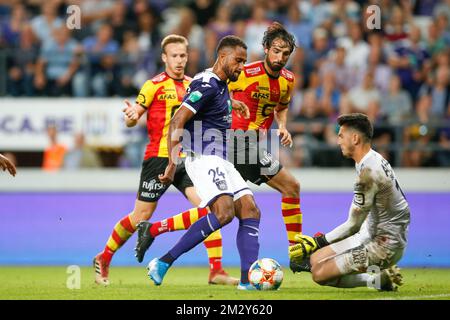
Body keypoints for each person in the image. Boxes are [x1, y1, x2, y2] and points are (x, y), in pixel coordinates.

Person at [138, 22, 303, 253]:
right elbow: (216, 85)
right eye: (276, 51)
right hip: (237, 142)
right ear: (266, 49)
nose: (280, 57)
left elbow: (281, 106)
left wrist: (282, 126)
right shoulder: (245, 72)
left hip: (244, 145)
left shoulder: (288, 79)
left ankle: (154, 229)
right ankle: (297, 253)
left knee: (223, 208)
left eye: (286, 53)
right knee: (291, 187)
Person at [93, 35, 237, 286]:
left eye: (183, 55)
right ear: (164, 57)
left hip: (187, 158)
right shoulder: (153, 85)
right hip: (158, 159)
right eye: (174, 56)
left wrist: (234, 104)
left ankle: (216, 270)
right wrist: (130, 116)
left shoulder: (196, 84)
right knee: (140, 216)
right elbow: (135, 114)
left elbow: (213, 104)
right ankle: (104, 257)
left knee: (212, 206)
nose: (180, 60)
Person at [145, 35, 262, 290]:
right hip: (203, 158)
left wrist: (234, 104)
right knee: (223, 213)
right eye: (238, 61)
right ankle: (163, 262)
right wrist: (173, 164)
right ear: (222, 57)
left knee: (251, 210)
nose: (241, 67)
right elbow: (178, 121)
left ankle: (247, 282)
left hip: (222, 159)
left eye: (244, 62)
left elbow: (211, 108)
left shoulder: (220, 85)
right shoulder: (207, 84)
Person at [288, 113, 410, 291]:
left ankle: (375, 279)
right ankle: (382, 278)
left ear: (355, 138)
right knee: (314, 260)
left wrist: (318, 242)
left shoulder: (368, 173)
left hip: (383, 246)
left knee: (318, 274)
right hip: (372, 234)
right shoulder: (371, 158)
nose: (338, 141)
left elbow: (353, 225)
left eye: (341, 136)